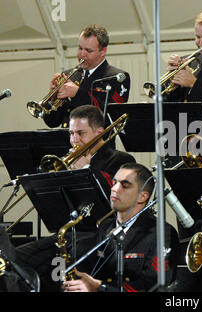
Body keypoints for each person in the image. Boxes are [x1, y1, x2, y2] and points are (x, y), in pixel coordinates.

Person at [15, 105, 135, 291]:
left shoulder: (120, 160)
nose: (74, 140)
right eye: (71, 133)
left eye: (81, 133)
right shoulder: (67, 161)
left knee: (68, 264)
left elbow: (115, 205)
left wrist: (87, 171)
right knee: (16, 259)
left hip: (98, 235)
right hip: (67, 234)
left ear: (99, 132)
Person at [63, 162, 179, 292]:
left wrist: (100, 288)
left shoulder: (163, 233)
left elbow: (153, 286)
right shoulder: (105, 225)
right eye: (114, 183)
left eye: (124, 185)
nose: (114, 189)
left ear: (143, 196)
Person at [43, 24, 130, 128]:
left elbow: (110, 118)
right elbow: (52, 122)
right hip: (67, 141)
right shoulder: (68, 75)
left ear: (103, 51)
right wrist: (52, 98)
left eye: (88, 50)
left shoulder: (117, 77)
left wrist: (77, 94)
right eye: (80, 48)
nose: (82, 54)